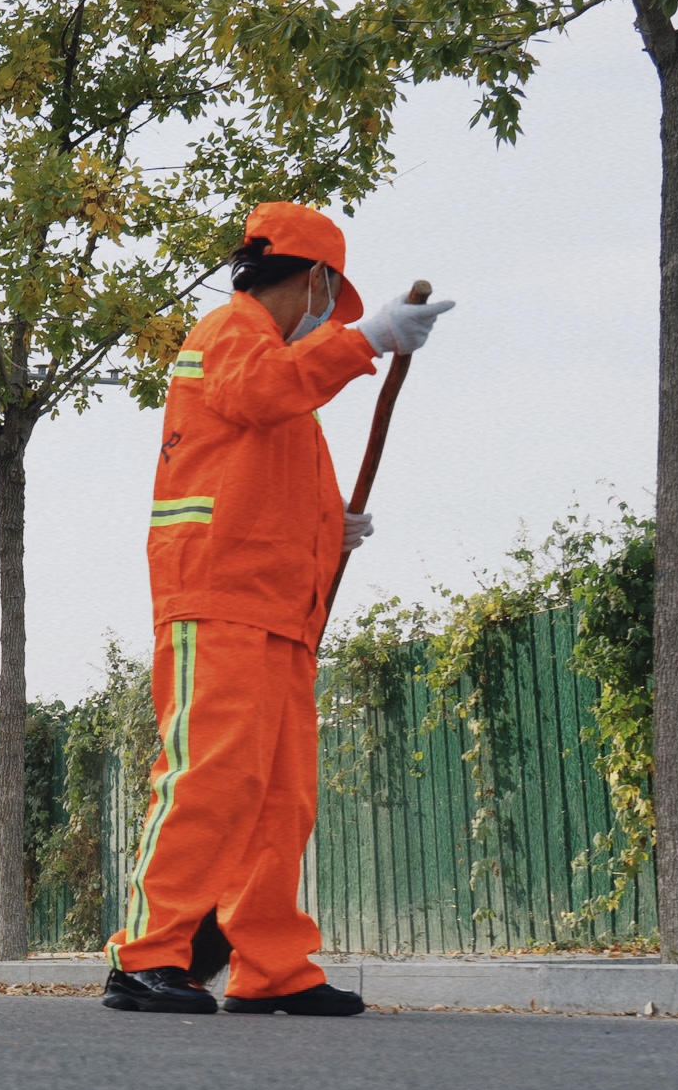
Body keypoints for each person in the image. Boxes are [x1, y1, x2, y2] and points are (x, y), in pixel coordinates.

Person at [104, 202, 450, 1017]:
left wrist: (336, 526)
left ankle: (271, 966)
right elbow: (258, 398)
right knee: (209, 780)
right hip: (218, 597)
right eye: (335, 299)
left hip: (279, 614)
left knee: (279, 798)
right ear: (318, 279)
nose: (336, 315)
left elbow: (269, 478)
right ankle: (147, 956)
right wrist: (365, 342)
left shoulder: (282, 371)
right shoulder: (231, 331)